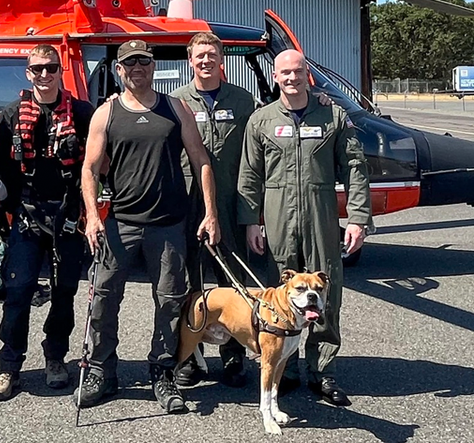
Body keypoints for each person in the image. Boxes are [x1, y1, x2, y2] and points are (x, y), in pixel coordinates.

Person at [78, 39, 220, 414]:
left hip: (169, 226)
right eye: (129, 63)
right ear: (119, 70)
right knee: (104, 301)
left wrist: (210, 213)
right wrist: (93, 216)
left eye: (143, 62)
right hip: (121, 222)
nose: (136, 68)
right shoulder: (105, 114)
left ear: (152, 66)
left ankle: (162, 371)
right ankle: (101, 372)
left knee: (170, 302)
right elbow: (90, 168)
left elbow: (201, 160)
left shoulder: (175, 108)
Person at [237, 49, 371, 406]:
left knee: (325, 292)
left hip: (321, 213)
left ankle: (323, 372)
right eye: (285, 72)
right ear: (276, 76)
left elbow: (355, 168)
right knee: (281, 294)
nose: (291, 78)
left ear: (306, 74)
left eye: (297, 71)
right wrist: (251, 220)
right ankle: (286, 367)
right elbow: (249, 175)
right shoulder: (261, 120)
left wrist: (358, 218)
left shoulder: (333, 116)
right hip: (278, 215)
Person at [0, 44, 95, 401]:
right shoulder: (11, 115)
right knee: (18, 292)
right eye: (37, 69)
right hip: (27, 215)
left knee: (65, 292)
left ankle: (55, 357)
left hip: (67, 214)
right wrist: (4, 213)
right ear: (28, 73)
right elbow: (0, 168)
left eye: (51, 68)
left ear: (60, 70)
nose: (44, 75)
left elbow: (96, 164)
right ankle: (9, 366)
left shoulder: (81, 113)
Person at [169, 32, 257, 388]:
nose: (205, 61)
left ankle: (234, 356)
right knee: (189, 283)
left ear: (222, 59)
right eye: (199, 56)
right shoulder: (175, 101)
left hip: (230, 202)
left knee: (233, 283)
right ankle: (189, 358)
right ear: (190, 61)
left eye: (212, 55)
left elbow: (255, 154)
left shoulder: (242, 100)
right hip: (188, 201)